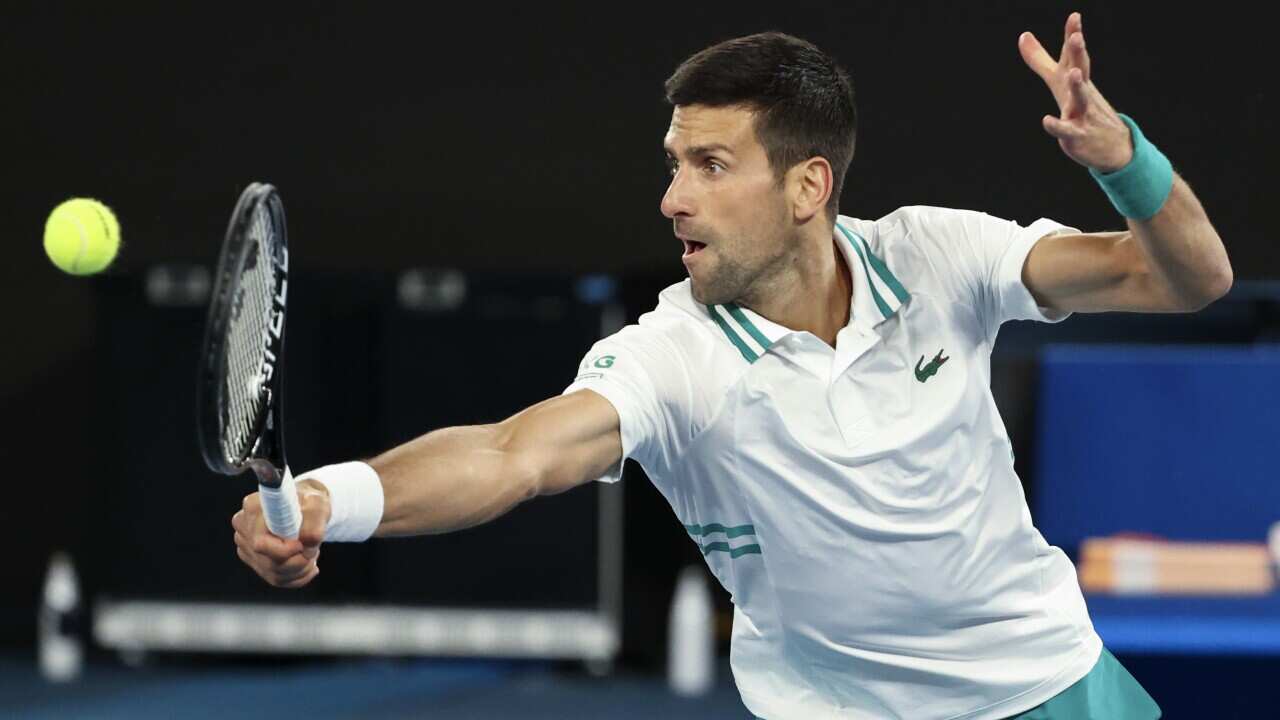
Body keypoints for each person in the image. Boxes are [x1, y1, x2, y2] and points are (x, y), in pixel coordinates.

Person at [231, 13, 1228, 719]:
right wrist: (330, 501)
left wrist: (1121, 160)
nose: (671, 199)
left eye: (709, 166)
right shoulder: (671, 357)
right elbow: (511, 455)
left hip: (1051, 683)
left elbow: (1185, 279)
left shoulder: (938, 256)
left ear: (807, 186)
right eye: (672, 164)